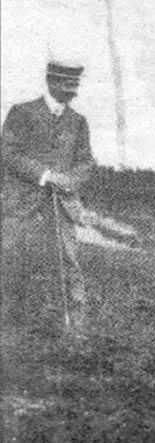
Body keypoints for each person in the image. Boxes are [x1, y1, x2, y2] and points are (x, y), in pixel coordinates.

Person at [1, 58, 94, 334]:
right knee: (12, 258)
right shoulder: (22, 113)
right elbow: (8, 155)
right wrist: (45, 175)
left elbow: (86, 162)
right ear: (51, 82)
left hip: (62, 205)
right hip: (21, 203)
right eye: (68, 84)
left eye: (76, 84)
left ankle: (74, 328)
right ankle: (8, 325)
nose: (73, 90)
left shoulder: (78, 122)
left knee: (68, 264)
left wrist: (69, 180)